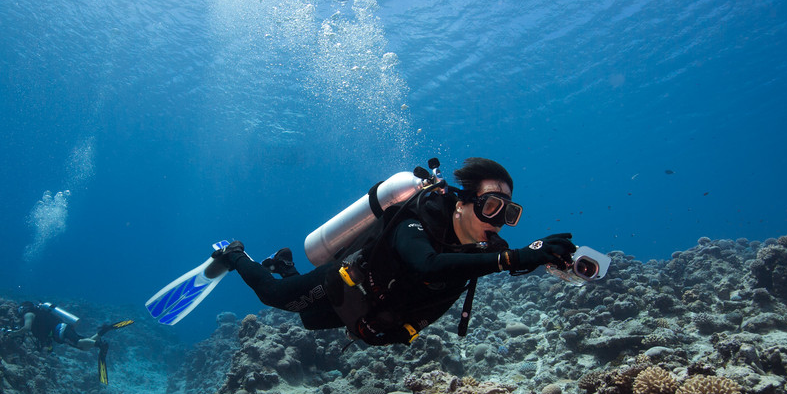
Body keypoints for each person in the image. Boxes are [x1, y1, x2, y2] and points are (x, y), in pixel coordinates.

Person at [210, 157, 576, 345]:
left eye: (508, 213)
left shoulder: (487, 248)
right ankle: (235, 254)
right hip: (347, 283)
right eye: (492, 206)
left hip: (369, 310)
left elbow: (506, 265)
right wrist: (517, 256)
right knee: (280, 299)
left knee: (309, 320)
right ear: (462, 203)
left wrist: (549, 257)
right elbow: (425, 263)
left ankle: (285, 265)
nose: (497, 221)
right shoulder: (423, 216)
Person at [8, 301, 109, 352]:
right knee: (83, 347)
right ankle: (102, 331)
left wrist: (13, 334)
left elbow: (27, 328)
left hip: (60, 330)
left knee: (78, 342)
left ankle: (101, 344)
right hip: (62, 329)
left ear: (23, 308)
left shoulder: (29, 314)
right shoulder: (38, 313)